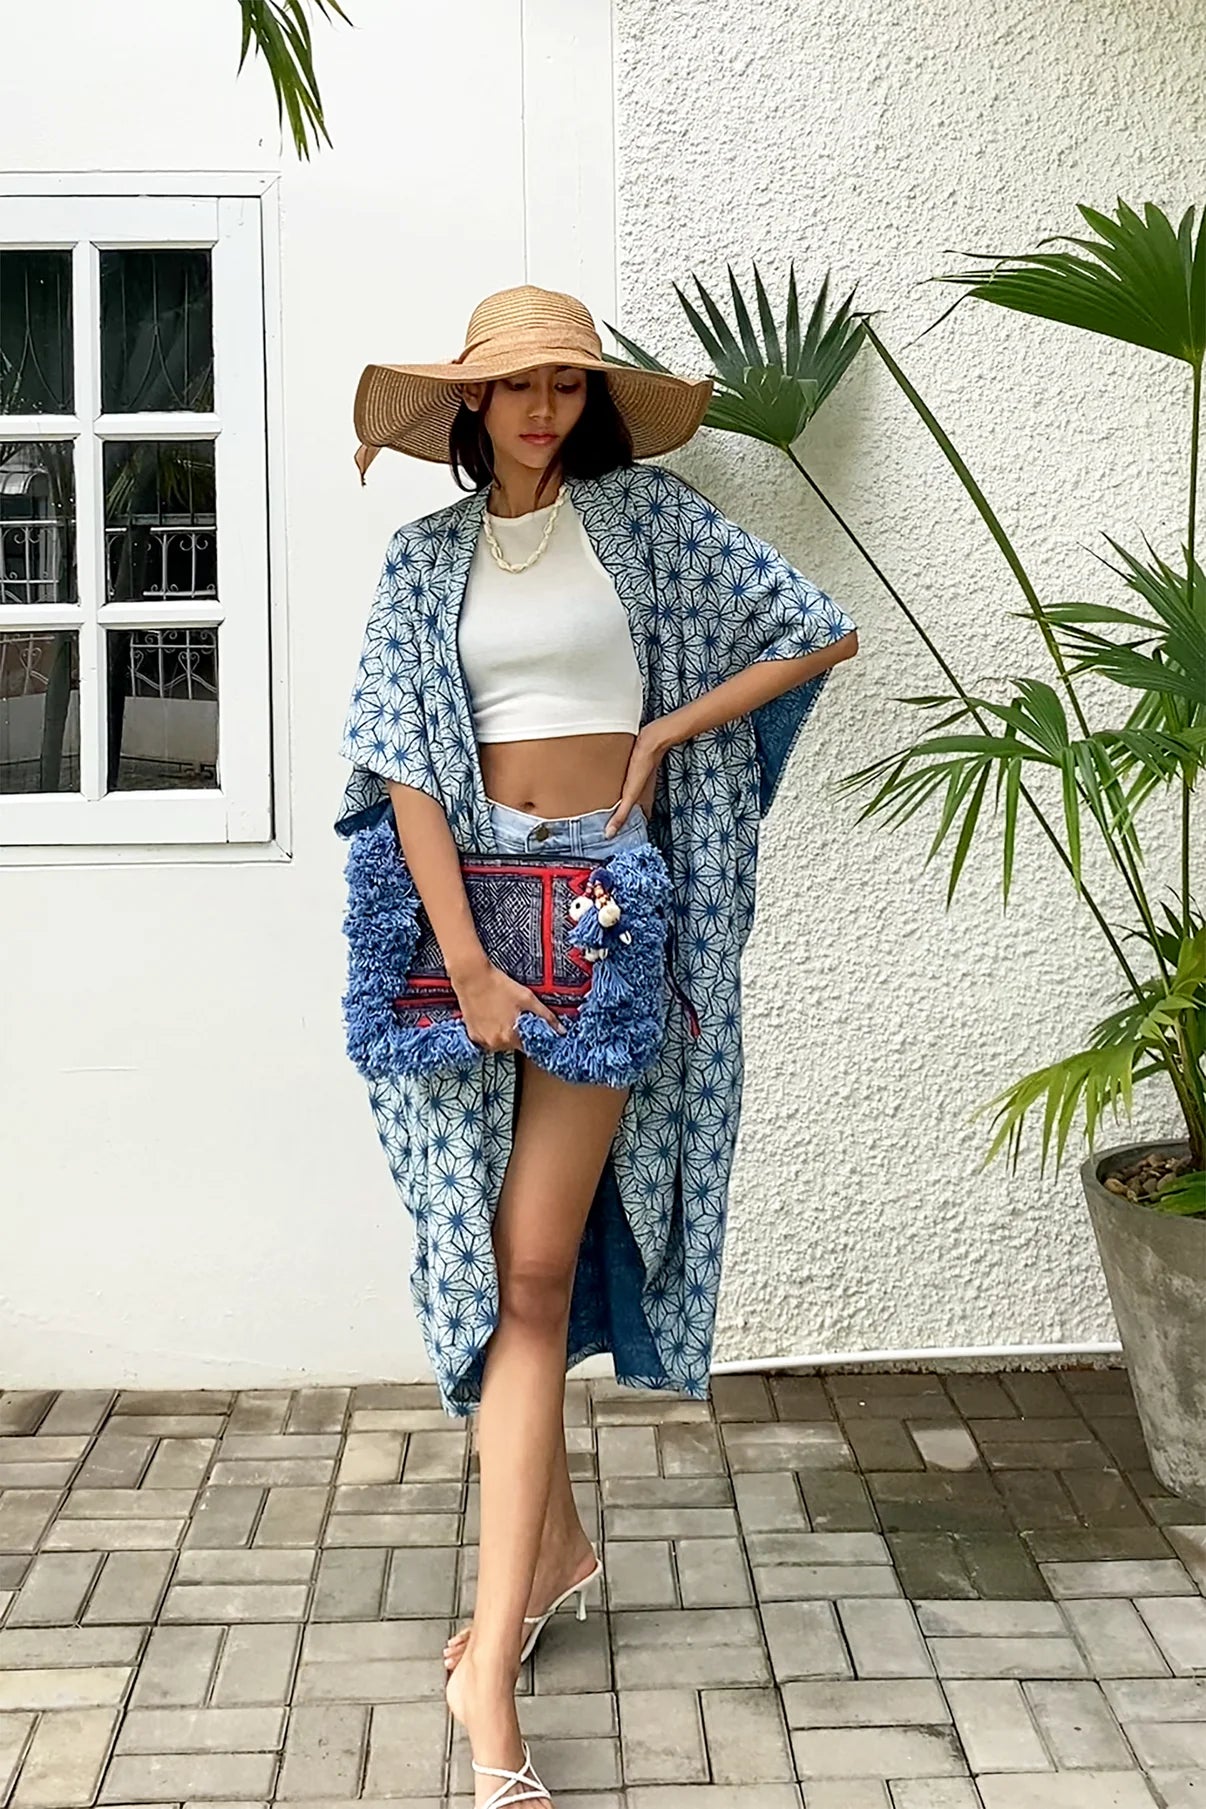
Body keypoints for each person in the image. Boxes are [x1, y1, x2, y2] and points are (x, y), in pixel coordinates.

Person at [337, 284, 859, 1808]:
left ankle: (486, 1661)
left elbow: (813, 632)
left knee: (537, 1270)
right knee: (500, 1268)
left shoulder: (650, 524)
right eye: (515, 388)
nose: (544, 409)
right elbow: (403, 768)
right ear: (468, 410)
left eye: (565, 384)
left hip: (611, 918)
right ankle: (551, 1547)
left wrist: (662, 735)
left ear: (588, 400)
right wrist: (466, 962)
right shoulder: (422, 558)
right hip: (466, 934)